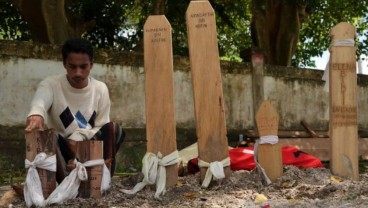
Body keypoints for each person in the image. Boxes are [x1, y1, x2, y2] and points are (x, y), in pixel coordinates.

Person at [25, 38, 124, 182]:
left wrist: (78, 138)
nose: (78, 73)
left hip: (90, 148)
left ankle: (101, 179)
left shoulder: (100, 89)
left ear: (92, 65)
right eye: (72, 66)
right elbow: (40, 101)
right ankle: (65, 181)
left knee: (115, 129)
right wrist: (36, 114)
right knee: (48, 138)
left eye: (84, 67)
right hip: (62, 149)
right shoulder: (51, 84)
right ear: (64, 64)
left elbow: (102, 126)